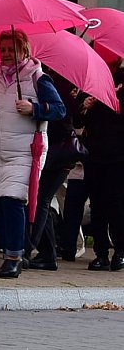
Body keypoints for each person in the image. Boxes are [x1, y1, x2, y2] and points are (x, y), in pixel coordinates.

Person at [0, 30, 65, 279]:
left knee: (12, 199)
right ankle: (12, 250)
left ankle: (14, 257)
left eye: (12, 49)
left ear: (24, 50)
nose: (7, 54)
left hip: (23, 151)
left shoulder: (38, 77)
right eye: (3, 50)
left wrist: (35, 108)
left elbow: (59, 109)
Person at [24, 70, 81, 270]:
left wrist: (37, 109)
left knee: (41, 199)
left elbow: (64, 116)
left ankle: (28, 247)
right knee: (43, 201)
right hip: (51, 151)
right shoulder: (44, 79)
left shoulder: (56, 83)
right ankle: (48, 254)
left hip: (58, 152)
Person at [73, 55, 124, 272]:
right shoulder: (91, 81)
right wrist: (84, 106)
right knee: (97, 205)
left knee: (116, 204)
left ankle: (120, 251)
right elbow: (77, 120)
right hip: (94, 154)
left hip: (119, 155)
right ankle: (101, 253)